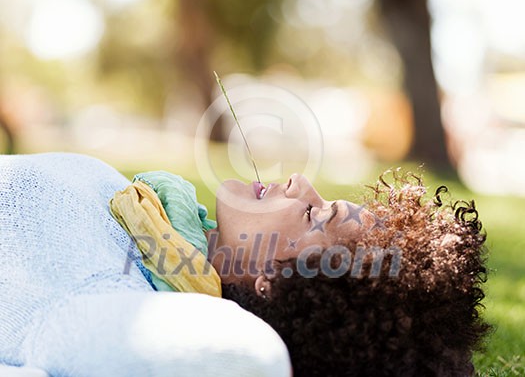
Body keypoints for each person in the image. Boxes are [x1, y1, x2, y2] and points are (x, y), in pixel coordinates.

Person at [0, 152, 489, 377]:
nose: (300, 181)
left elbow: (256, 361)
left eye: (315, 215)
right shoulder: (154, 227)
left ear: (275, 282)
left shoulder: (110, 295)